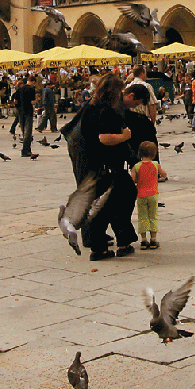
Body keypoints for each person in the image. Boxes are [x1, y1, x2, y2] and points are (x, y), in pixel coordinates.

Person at [79, 74, 139, 261]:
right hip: (109, 166)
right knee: (124, 198)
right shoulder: (107, 112)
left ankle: (100, 248)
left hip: (93, 165)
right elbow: (104, 137)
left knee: (101, 206)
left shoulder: (88, 109)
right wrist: (125, 136)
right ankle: (122, 242)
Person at [131, 140, 161, 250]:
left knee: (143, 217)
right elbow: (163, 174)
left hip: (141, 195)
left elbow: (133, 179)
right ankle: (153, 240)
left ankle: (144, 241)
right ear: (154, 154)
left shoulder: (136, 166)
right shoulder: (155, 164)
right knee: (153, 216)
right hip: (153, 195)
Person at [14, 75, 37, 156]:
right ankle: (25, 150)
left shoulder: (19, 89)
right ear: (33, 82)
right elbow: (32, 102)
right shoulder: (31, 89)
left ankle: (27, 149)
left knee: (23, 130)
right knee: (28, 131)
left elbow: (15, 101)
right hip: (28, 111)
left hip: (20, 111)